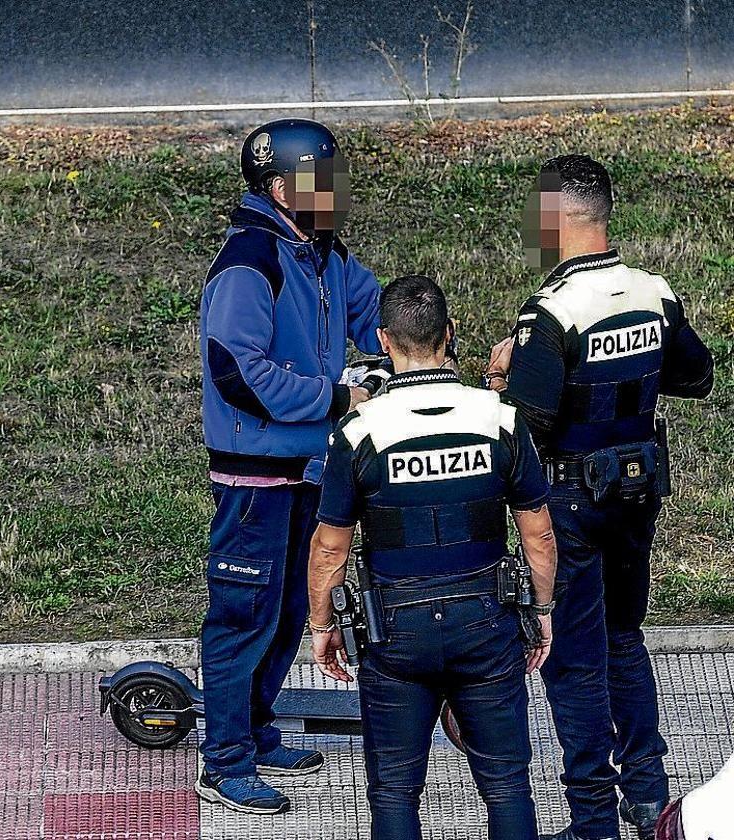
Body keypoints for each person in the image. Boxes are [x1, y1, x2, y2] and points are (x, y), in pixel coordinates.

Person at [483, 154, 715, 840]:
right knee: (624, 638)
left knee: (572, 659)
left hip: (571, 504)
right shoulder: (654, 290)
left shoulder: (550, 311)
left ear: (556, 218)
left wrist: (503, 378)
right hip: (638, 495)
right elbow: (695, 376)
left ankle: (592, 822)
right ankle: (648, 796)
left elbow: (528, 427)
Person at [309, 275, 557, 840]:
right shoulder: (501, 420)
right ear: (450, 333)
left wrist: (321, 624)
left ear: (383, 340)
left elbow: (331, 545)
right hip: (487, 623)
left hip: (395, 631)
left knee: (395, 791)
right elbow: (538, 534)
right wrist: (542, 613)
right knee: (507, 785)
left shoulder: (359, 431)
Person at [195, 118, 382, 814]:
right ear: (281, 187)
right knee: (243, 617)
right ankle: (223, 763)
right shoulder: (251, 262)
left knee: (286, 615)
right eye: (321, 181)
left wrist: (420, 338)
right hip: (254, 482)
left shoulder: (321, 253)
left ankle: (256, 729)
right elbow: (237, 373)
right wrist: (337, 397)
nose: (335, 193)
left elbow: (373, 307)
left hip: (307, 468)